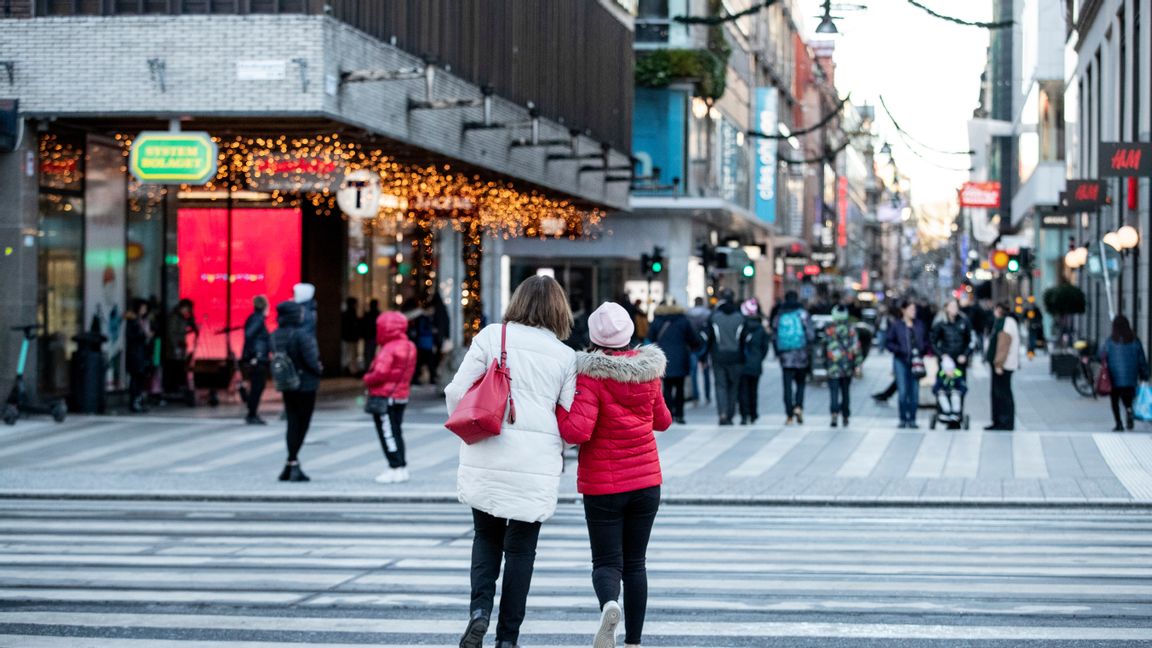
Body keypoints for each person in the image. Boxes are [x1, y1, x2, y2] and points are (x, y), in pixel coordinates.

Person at [446, 276, 577, 648]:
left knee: (485, 536)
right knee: (521, 551)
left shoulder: (492, 336)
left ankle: (479, 612)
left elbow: (456, 390)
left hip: (487, 449)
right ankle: (508, 639)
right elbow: (567, 419)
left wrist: (468, 427)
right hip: (535, 463)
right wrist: (558, 447)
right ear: (558, 309)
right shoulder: (566, 356)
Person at [556, 302, 672, 648]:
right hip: (646, 483)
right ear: (628, 335)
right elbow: (662, 421)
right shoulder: (647, 371)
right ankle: (634, 641)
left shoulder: (590, 376)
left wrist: (558, 410)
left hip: (603, 486)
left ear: (593, 337)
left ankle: (609, 604)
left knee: (607, 561)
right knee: (636, 562)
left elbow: (577, 431)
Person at [271, 300, 322, 482]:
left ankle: (290, 463)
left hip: (287, 383)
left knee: (292, 422)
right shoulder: (301, 334)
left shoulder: (276, 334)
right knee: (302, 424)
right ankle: (293, 463)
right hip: (305, 384)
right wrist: (319, 369)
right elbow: (311, 360)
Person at [363, 311, 417, 482]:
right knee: (396, 432)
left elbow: (380, 373)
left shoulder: (388, 348)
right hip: (401, 395)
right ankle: (401, 466)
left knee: (387, 433)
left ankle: (394, 467)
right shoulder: (410, 346)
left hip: (385, 397)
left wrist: (367, 378)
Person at [647, 301, 699, 424]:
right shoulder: (683, 320)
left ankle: (668, 414)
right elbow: (693, 339)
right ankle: (680, 415)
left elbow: (650, 337)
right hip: (681, 358)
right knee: (680, 388)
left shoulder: (657, 320)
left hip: (664, 358)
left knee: (667, 388)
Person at [1099, 315, 1150, 431]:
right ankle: (1129, 410)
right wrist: (1144, 374)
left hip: (1114, 378)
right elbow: (1141, 359)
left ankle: (1119, 423)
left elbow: (1101, 354)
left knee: (1115, 400)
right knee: (1128, 398)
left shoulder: (1110, 341)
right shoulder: (1135, 340)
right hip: (1131, 378)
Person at [771, 290, 814, 425]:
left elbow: (774, 334)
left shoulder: (780, 314)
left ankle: (789, 415)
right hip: (801, 356)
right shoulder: (803, 314)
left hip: (785, 356)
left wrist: (777, 351)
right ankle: (798, 407)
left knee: (787, 385)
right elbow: (810, 335)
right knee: (801, 383)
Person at [885, 300, 930, 429]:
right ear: (903, 310)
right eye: (910, 309)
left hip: (916, 361)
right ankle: (903, 418)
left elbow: (926, 340)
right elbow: (889, 342)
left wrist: (924, 349)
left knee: (914, 391)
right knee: (903, 391)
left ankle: (913, 419)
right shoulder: (897, 325)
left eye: (914, 309)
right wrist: (899, 350)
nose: (913, 312)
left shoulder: (920, 325)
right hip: (901, 360)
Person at [706, 290, 745, 426]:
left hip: (718, 356)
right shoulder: (740, 317)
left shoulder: (715, 317)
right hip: (736, 357)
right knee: (733, 387)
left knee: (720, 386)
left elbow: (709, 338)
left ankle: (722, 413)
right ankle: (730, 414)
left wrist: (704, 356)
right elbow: (744, 340)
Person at [824, 304, 862, 428]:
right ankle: (845, 415)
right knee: (845, 391)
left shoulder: (829, 329)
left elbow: (824, 345)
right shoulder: (851, 329)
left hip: (833, 365)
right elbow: (856, 347)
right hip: (847, 366)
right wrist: (857, 365)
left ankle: (834, 413)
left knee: (834, 391)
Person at [985, 302, 1020, 431]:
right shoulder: (1001, 321)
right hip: (999, 364)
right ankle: (998, 421)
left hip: (1003, 365)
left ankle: (1005, 422)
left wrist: (999, 364)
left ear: (999, 310)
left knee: (1003, 393)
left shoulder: (1007, 322)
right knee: (997, 393)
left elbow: (1003, 346)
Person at [737, 299, 769, 425]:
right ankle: (753, 414)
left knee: (743, 390)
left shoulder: (742, 327)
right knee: (753, 390)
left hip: (742, 362)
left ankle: (744, 415)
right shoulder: (760, 328)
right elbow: (765, 347)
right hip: (755, 363)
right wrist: (759, 358)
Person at [240, 295, 271, 425]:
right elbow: (249, 336)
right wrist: (255, 355)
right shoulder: (258, 320)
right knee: (257, 386)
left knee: (258, 386)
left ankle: (252, 411)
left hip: (257, 358)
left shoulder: (255, 319)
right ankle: (251, 413)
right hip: (258, 359)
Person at [163, 298, 198, 401]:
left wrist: (191, 317)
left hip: (179, 346)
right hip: (174, 347)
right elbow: (171, 333)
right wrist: (175, 346)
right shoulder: (174, 317)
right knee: (174, 368)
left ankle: (176, 389)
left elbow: (189, 325)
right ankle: (172, 390)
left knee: (179, 368)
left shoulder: (182, 318)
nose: (187, 311)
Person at [930, 299, 973, 376]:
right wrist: (942, 355)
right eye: (952, 306)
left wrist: (965, 355)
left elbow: (971, 340)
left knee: (960, 385)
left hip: (960, 360)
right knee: (946, 385)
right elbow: (932, 342)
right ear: (946, 308)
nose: (955, 308)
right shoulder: (940, 323)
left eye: (956, 306)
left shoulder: (964, 321)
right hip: (946, 362)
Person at [124, 298, 153, 413]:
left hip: (142, 352)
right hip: (135, 353)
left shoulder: (142, 320)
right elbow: (132, 336)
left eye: (145, 308)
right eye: (142, 308)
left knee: (140, 378)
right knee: (136, 378)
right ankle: (134, 402)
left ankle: (138, 400)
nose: (144, 310)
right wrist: (144, 335)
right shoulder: (133, 320)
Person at [685, 297, 712, 405]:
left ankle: (696, 396)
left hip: (692, 346)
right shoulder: (708, 314)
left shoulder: (688, 314)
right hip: (704, 344)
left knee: (693, 372)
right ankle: (707, 396)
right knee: (706, 371)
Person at [410, 304, 438, 385]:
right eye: (431, 309)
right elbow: (421, 331)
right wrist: (431, 331)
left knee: (426, 363)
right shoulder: (423, 318)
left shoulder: (428, 318)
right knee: (423, 363)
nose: (432, 311)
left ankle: (420, 379)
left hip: (426, 344)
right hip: (423, 344)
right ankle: (417, 379)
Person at [340, 297, 361, 375]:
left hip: (350, 337)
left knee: (351, 354)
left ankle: (351, 369)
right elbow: (351, 326)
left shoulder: (349, 313)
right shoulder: (350, 313)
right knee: (351, 355)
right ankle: (352, 370)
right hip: (350, 338)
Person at [361, 298, 382, 371]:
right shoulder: (378, 314)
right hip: (373, 336)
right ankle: (372, 368)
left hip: (369, 336)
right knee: (372, 353)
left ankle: (369, 368)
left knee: (368, 353)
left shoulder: (368, 314)